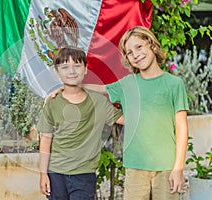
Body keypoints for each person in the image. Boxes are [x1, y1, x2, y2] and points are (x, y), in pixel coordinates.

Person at [47, 26, 189, 200]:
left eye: (139, 47)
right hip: (135, 166)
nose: (136, 54)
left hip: (166, 166)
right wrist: (67, 87)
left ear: (152, 45)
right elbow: (100, 89)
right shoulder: (127, 83)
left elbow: (182, 127)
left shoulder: (174, 84)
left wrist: (178, 168)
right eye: (129, 52)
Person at [37, 46, 124, 200]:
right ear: (57, 72)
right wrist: (43, 174)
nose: (71, 71)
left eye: (77, 66)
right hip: (55, 174)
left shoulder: (97, 101)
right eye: (65, 67)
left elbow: (123, 120)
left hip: (84, 175)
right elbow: (46, 139)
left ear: (85, 69)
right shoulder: (52, 103)